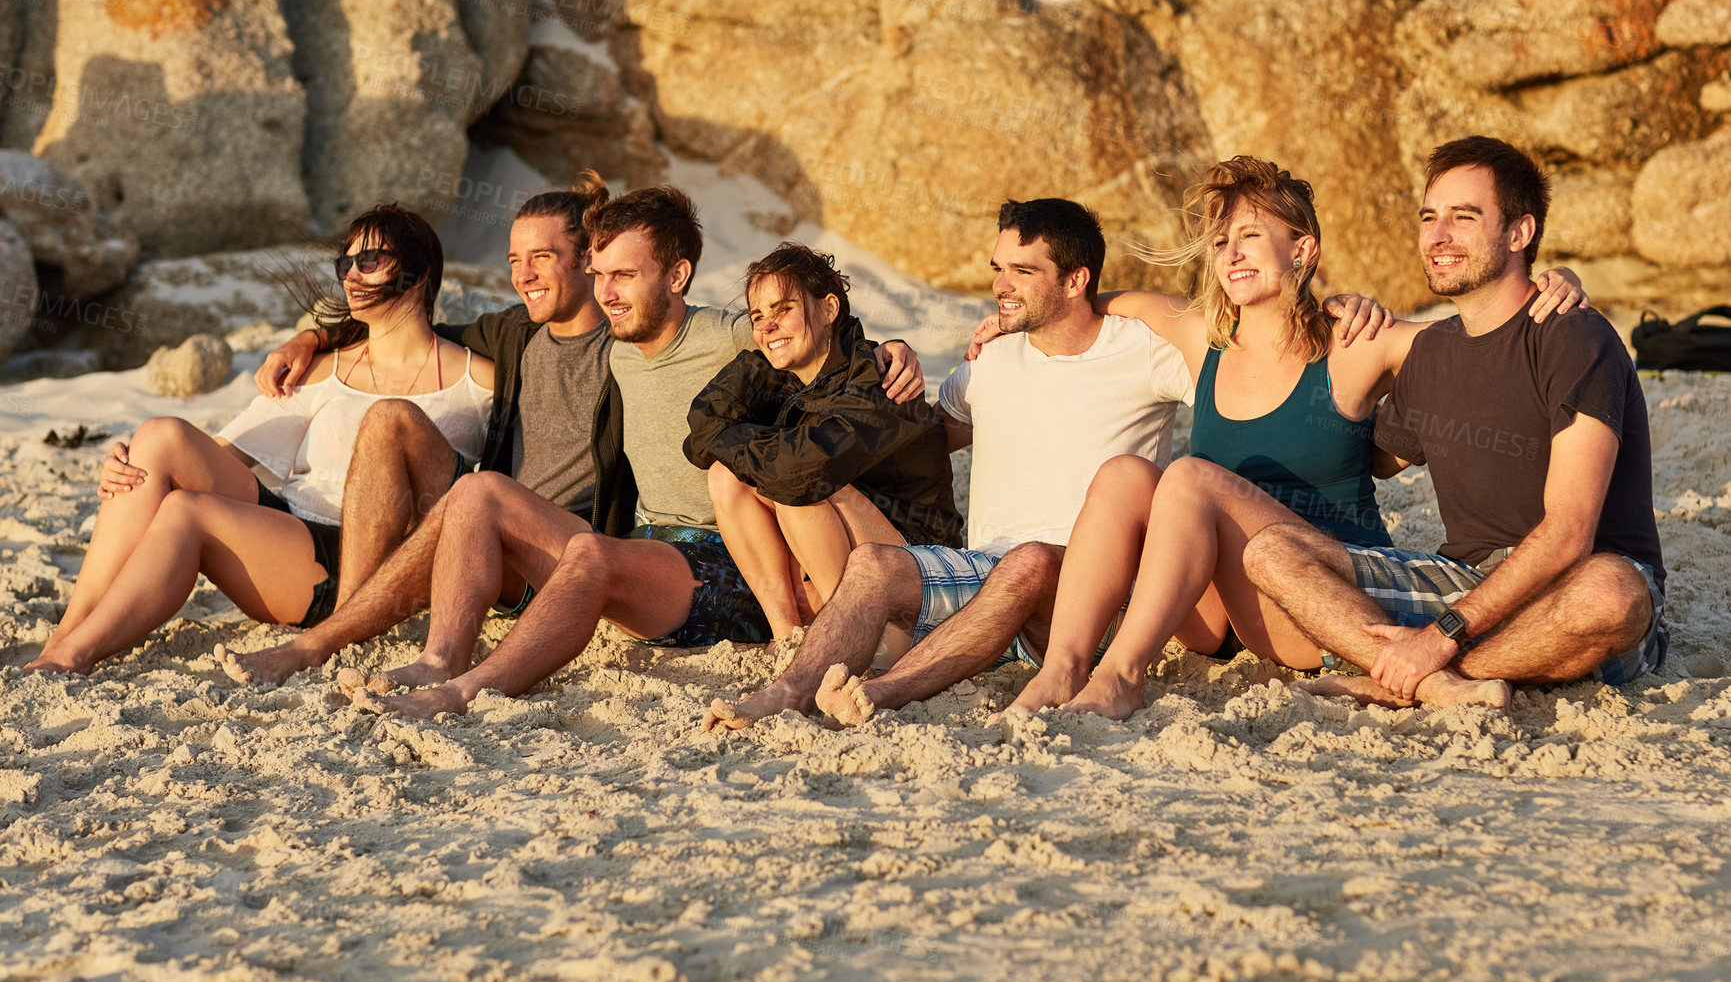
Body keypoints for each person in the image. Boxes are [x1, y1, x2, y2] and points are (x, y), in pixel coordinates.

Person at [999, 155, 1587, 720]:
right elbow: (1075, 302)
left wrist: (1556, 281)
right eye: (1222, 241)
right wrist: (1005, 318)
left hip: (1310, 605)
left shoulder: (1355, 344)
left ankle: (1121, 678)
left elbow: (1477, 338)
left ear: (1302, 249)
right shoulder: (1199, 335)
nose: (1231, 254)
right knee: (1124, 475)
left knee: (1188, 477)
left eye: (1250, 236)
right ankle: (1061, 671)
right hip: (1209, 613)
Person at [345, 187, 925, 717]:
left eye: (623, 276)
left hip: (730, 562)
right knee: (477, 491)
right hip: (648, 548)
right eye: (598, 274)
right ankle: (439, 659)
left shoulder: (728, 335)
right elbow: (433, 330)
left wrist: (884, 349)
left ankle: (461, 693)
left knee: (594, 559)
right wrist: (317, 336)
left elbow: (804, 332)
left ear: (677, 276)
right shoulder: (616, 348)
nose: (606, 293)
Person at [701, 197, 1204, 731]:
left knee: (1029, 561)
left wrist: (1114, 299)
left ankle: (879, 694)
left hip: (1082, 595)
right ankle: (787, 692)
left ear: (1076, 280)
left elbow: (1212, 333)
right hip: (977, 581)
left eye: (1023, 271)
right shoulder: (991, 359)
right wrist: (892, 357)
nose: (1001, 286)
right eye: (998, 269)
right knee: (872, 564)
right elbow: (924, 443)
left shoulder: (1143, 349)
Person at [1241, 135, 1666, 706]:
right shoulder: (1433, 350)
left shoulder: (1573, 337)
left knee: (1613, 593)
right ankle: (1439, 683)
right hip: (1466, 581)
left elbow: (1570, 534)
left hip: (1570, 586)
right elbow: (1363, 460)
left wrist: (1438, 639)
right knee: (1271, 552)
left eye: (1463, 218)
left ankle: (1401, 678)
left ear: (1519, 233)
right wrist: (1331, 331)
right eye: (1429, 217)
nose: (1438, 237)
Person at [23, 205, 495, 675]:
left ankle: (73, 656)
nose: (351, 275)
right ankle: (67, 633)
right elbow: (218, 458)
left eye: (369, 261)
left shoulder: (479, 383)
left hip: (352, 565)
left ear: (416, 276)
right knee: (158, 437)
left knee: (186, 512)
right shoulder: (321, 368)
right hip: (286, 530)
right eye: (345, 263)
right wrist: (131, 469)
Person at [210, 174, 632, 686]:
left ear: (589, 259)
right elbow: (399, 323)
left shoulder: (628, 347)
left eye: (541, 257)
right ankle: (349, 617)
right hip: (487, 532)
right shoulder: (515, 332)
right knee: (391, 418)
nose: (523, 275)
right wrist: (312, 336)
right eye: (515, 261)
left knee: (480, 493)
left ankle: (319, 641)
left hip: (559, 551)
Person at [688, 242, 964, 645]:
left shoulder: (878, 377)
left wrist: (749, 446)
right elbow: (701, 428)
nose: (767, 326)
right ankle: (788, 637)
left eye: (783, 309)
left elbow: (802, 472)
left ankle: (850, 637)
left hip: (923, 574)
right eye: (758, 315)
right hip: (849, 561)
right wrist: (755, 451)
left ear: (829, 308)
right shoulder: (768, 374)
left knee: (796, 488)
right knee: (724, 477)